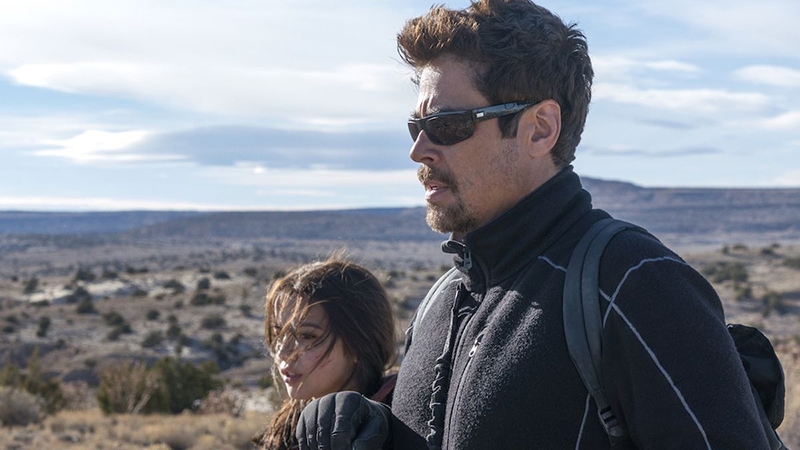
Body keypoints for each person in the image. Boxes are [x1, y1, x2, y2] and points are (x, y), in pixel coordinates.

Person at [297, 0, 772, 449]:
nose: (418, 150)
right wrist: (377, 428)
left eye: (447, 125)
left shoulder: (633, 284)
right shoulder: (442, 301)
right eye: (416, 126)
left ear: (540, 128)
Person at [252, 256, 397, 450]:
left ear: (359, 343)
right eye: (279, 333)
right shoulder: (286, 430)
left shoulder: (402, 428)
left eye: (307, 336)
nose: (283, 352)